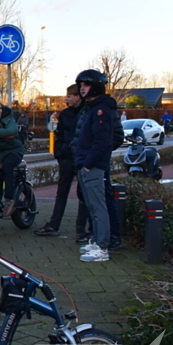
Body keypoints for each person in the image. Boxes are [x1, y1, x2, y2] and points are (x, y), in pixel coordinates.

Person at [73, 69, 116, 263]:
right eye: (80, 85)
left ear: (96, 86)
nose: (82, 89)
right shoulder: (90, 108)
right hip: (85, 163)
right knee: (91, 205)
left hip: (93, 166)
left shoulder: (101, 110)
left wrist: (89, 164)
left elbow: (102, 141)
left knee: (98, 207)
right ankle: (96, 241)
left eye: (86, 85)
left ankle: (102, 247)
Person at [36, 85, 82, 237]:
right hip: (66, 158)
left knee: (83, 194)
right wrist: (59, 153)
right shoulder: (65, 114)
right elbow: (60, 134)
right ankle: (54, 224)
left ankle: (82, 228)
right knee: (62, 191)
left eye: (69, 96)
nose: (66, 98)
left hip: (81, 158)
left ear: (77, 97)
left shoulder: (86, 113)